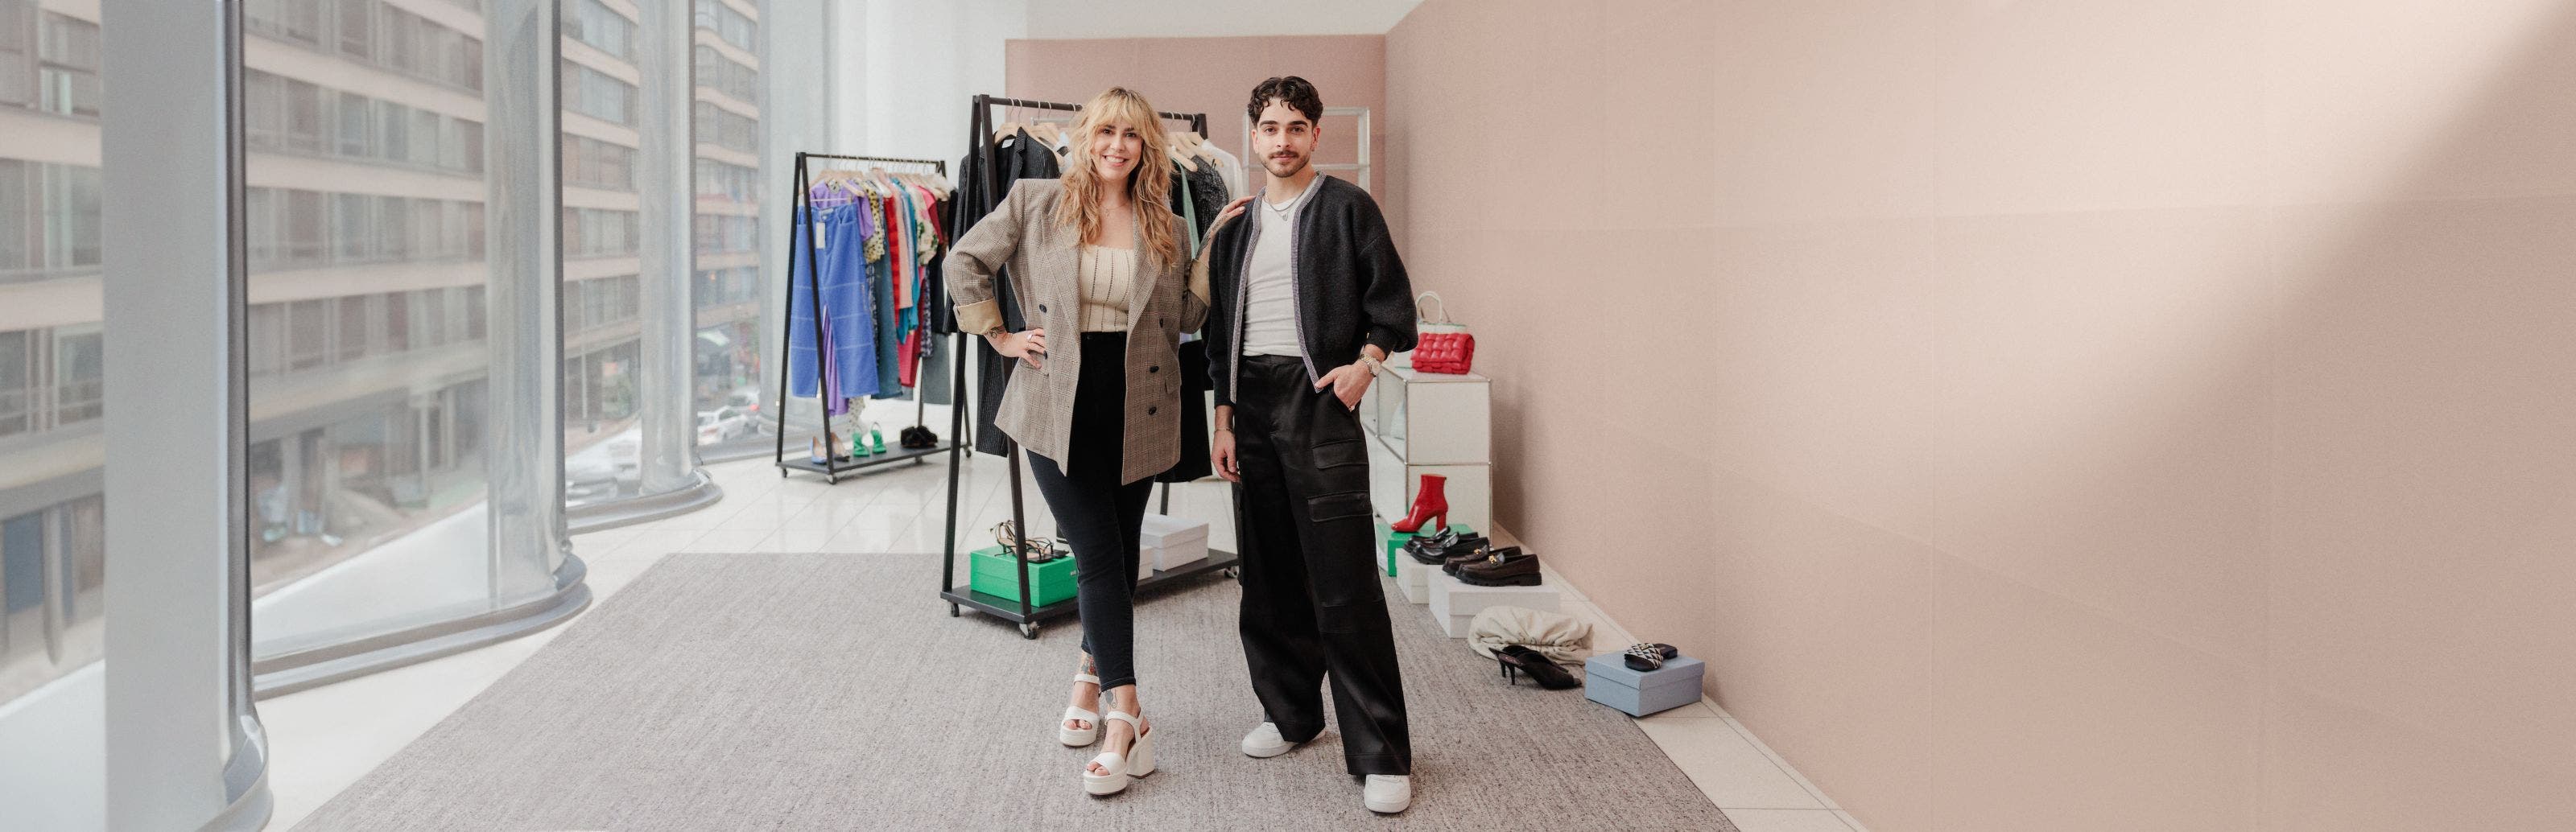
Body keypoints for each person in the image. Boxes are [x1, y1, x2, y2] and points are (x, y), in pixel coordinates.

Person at [945, 87, 1212, 797]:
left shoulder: (1165, 222)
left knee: (1120, 557)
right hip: (1054, 401)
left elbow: (1185, 313)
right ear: (1086, 138)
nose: (1116, 146)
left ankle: (1089, 680)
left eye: (1130, 136)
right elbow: (962, 261)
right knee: (1096, 555)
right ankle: (1130, 716)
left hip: (1140, 404)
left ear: (1147, 145)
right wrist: (998, 334)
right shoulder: (1036, 200)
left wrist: (1216, 246)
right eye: (1105, 133)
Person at [1201, 76, 1421, 814]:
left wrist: (1367, 366)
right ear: (1253, 135)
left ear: (1316, 135)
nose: (1283, 140)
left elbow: (1394, 307)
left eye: (1297, 126)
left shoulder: (1349, 208)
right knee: (1266, 575)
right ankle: (1291, 714)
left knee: (1343, 580)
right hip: (1250, 407)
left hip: (1319, 398)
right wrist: (1224, 419)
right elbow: (1214, 334)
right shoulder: (1234, 224)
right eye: (1269, 127)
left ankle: (1381, 751)